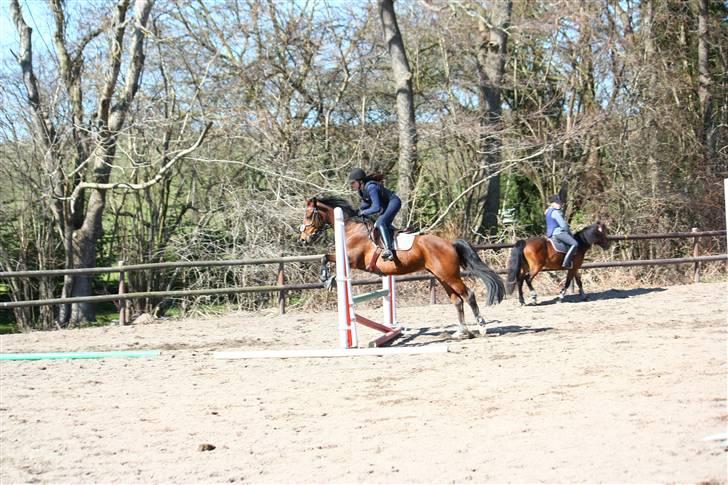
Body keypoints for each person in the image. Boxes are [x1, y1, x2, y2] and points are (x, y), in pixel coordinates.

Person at [347, 167, 401, 261]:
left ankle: (388, 250)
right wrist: (356, 211)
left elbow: (376, 208)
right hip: (386, 205)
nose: (352, 185)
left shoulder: (371, 187)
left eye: (353, 183)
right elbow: (366, 204)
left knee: (380, 223)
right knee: (379, 224)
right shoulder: (361, 190)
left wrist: (363, 212)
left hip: (394, 202)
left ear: (360, 181)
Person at [545, 194, 579, 269]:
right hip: (558, 233)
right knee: (575, 243)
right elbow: (564, 226)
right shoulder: (556, 212)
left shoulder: (548, 212)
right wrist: (570, 233)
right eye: (558, 203)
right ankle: (566, 262)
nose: (560, 204)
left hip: (550, 234)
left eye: (560, 203)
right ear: (553, 203)